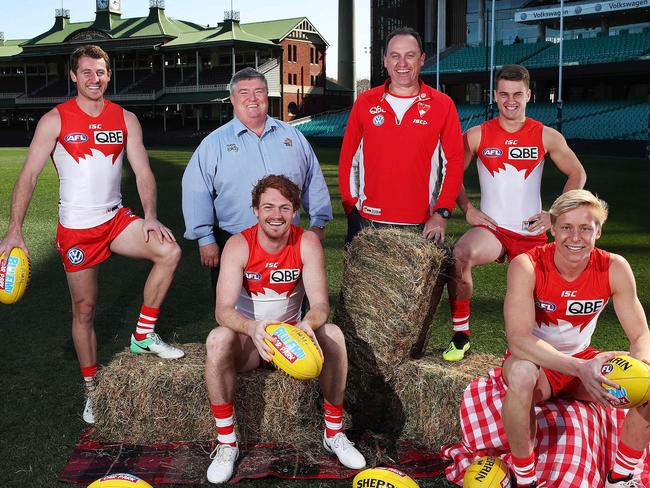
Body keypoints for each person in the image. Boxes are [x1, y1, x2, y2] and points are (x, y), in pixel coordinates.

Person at [0, 45, 184, 424]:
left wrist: (150, 216)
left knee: (169, 251)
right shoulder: (55, 120)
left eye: (100, 72)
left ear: (108, 75)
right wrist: (14, 231)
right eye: (86, 72)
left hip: (115, 220)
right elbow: (29, 176)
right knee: (84, 310)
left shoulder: (124, 118)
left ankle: (144, 335)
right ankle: (92, 389)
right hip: (77, 230)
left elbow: (143, 170)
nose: (93, 78)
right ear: (73, 76)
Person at [204, 175, 366, 484]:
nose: (275, 215)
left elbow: (320, 305)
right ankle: (227, 442)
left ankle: (334, 433)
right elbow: (222, 310)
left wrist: (308, 325)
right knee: (217, 339)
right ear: (255, 210)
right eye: (268, 207)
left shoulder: (307, 242)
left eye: (284, 207)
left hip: (292, 340)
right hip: (251, 341)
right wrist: (252, 328)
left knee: (333, 334)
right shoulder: (238, 245)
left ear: (294, 211)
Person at [501, 189, 650, 487]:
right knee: (520, 372)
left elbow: (640, 334)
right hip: (539, 365)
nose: (575, 237)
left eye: (585, 228)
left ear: (599, 230)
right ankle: (525, 479)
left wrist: (642, 366)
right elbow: (518, 340)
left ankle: (620, 477)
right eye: (567, 227)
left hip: (584, 361)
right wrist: (578, 368)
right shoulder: (526, 265)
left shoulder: (614, 267)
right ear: (552, 227)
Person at [443, 64, 586, 362]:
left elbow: (577, 173)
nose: (511, 100)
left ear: (529, 95)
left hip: (531, 231)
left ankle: (530, 350)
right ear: (495, 95)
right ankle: (461, 336)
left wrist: (555, 215)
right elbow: (451, 173)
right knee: (459, 256)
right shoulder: (477, 135)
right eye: (504, 94)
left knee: (544, 297)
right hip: (492, 229)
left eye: (517, 94)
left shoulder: (547, 136)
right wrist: (467, 209)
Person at [182, 67, 332, 300]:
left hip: (288, 243)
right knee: (234, 318)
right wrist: (205, 238)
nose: (252, 99)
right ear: (232, 99)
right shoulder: (214, 143)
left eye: (259, 91)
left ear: (267, 95)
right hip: (234, 243)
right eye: (244, 93)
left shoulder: (292, 136)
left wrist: (319, 222)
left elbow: (313, 178)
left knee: (289, 315)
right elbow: (196, 191)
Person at [338, 27, 464, 245]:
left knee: (425, 280)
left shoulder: (443, 105)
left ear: (422, 59)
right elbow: (349, 160)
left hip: (422, 224)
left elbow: (454, 163)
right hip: (369, 221)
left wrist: (441, 212)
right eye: (395, 56)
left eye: (410, 55)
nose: (402, 63)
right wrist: (352, 208)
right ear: (385, 60)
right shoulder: (365, 102)